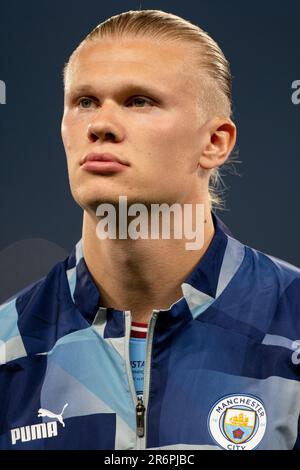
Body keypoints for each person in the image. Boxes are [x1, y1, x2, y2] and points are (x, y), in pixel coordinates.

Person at [0, 9, 299, 451]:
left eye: (139, 100)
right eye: (84, 102)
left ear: (214, 142)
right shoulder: (10, 348)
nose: (99, 125)